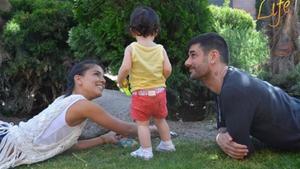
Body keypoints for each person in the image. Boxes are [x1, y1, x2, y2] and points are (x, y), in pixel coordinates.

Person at [0, 59, 151, 169]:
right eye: (96, 75)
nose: (102, 80)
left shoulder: (65, 101)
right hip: (5, 142)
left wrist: (103, 139)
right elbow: (127, 129)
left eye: (103, 76)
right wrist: (160, 131)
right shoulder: (82, 105)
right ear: (78, 79)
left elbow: (65, 146)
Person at [184, 32, 300, 159]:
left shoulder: (234, 89)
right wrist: (220, 136)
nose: (187, 62)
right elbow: (223, 127)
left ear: (213, 56)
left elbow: (242, 150)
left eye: (193, 55)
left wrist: (220, 138)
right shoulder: (225, 82)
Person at [117, 6, 175, 160]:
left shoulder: (132, 48)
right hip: (159, 93)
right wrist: (161, 79)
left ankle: (146, 150)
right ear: (156, 31)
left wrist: (120, 80)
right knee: (160, 120)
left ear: (133, 30)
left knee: (142, 124)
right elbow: (168, 69)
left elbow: (126, 68)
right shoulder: (160, 49)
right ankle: (167, 144)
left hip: (141, 95)